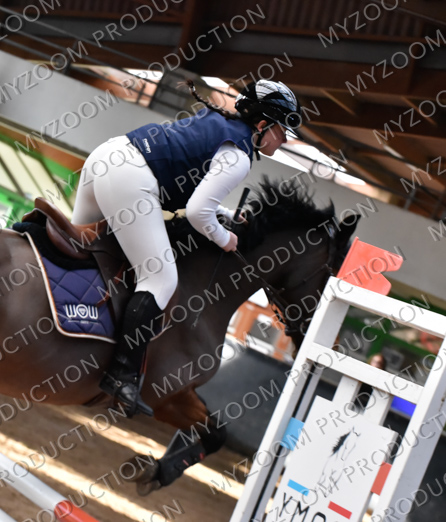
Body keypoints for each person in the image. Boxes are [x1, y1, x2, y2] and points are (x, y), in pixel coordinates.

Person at [71, 80, 302, 416]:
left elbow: (197, 191)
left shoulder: (221, 124)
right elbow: (196, 213)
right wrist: (225, 238)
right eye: (281, 131)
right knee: (160, 280)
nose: (284, 140)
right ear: (263, 124)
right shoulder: (239, 156)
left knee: (78, 242)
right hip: (131, 179)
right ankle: (121, 375)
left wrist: (224, 214)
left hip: (107, 156)